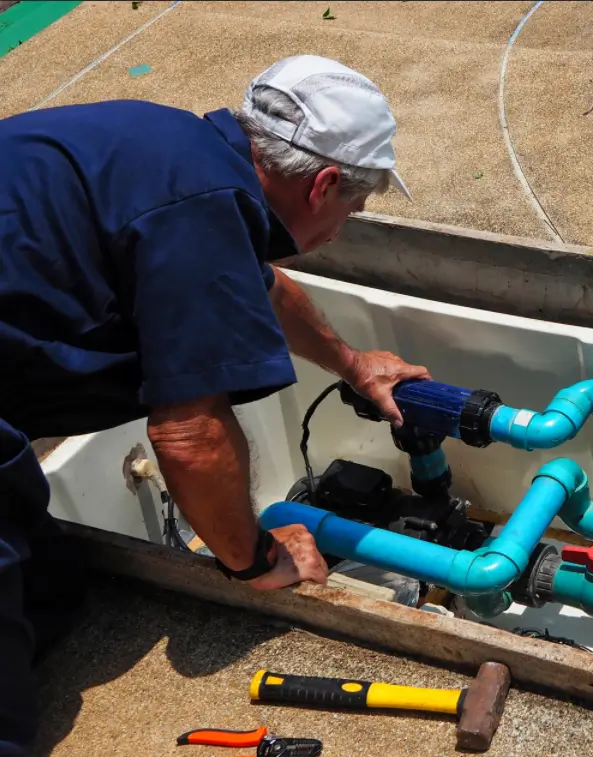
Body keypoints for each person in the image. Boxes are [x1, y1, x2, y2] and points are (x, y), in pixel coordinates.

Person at [0, 55, 430, 754]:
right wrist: (258, 559)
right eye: (354, 206)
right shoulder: (197, 208)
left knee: (51, 586)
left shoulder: (175, 149)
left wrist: (354, 365)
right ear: (323, 184)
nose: (345, 225)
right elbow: (190, 436)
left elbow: (259, 283)